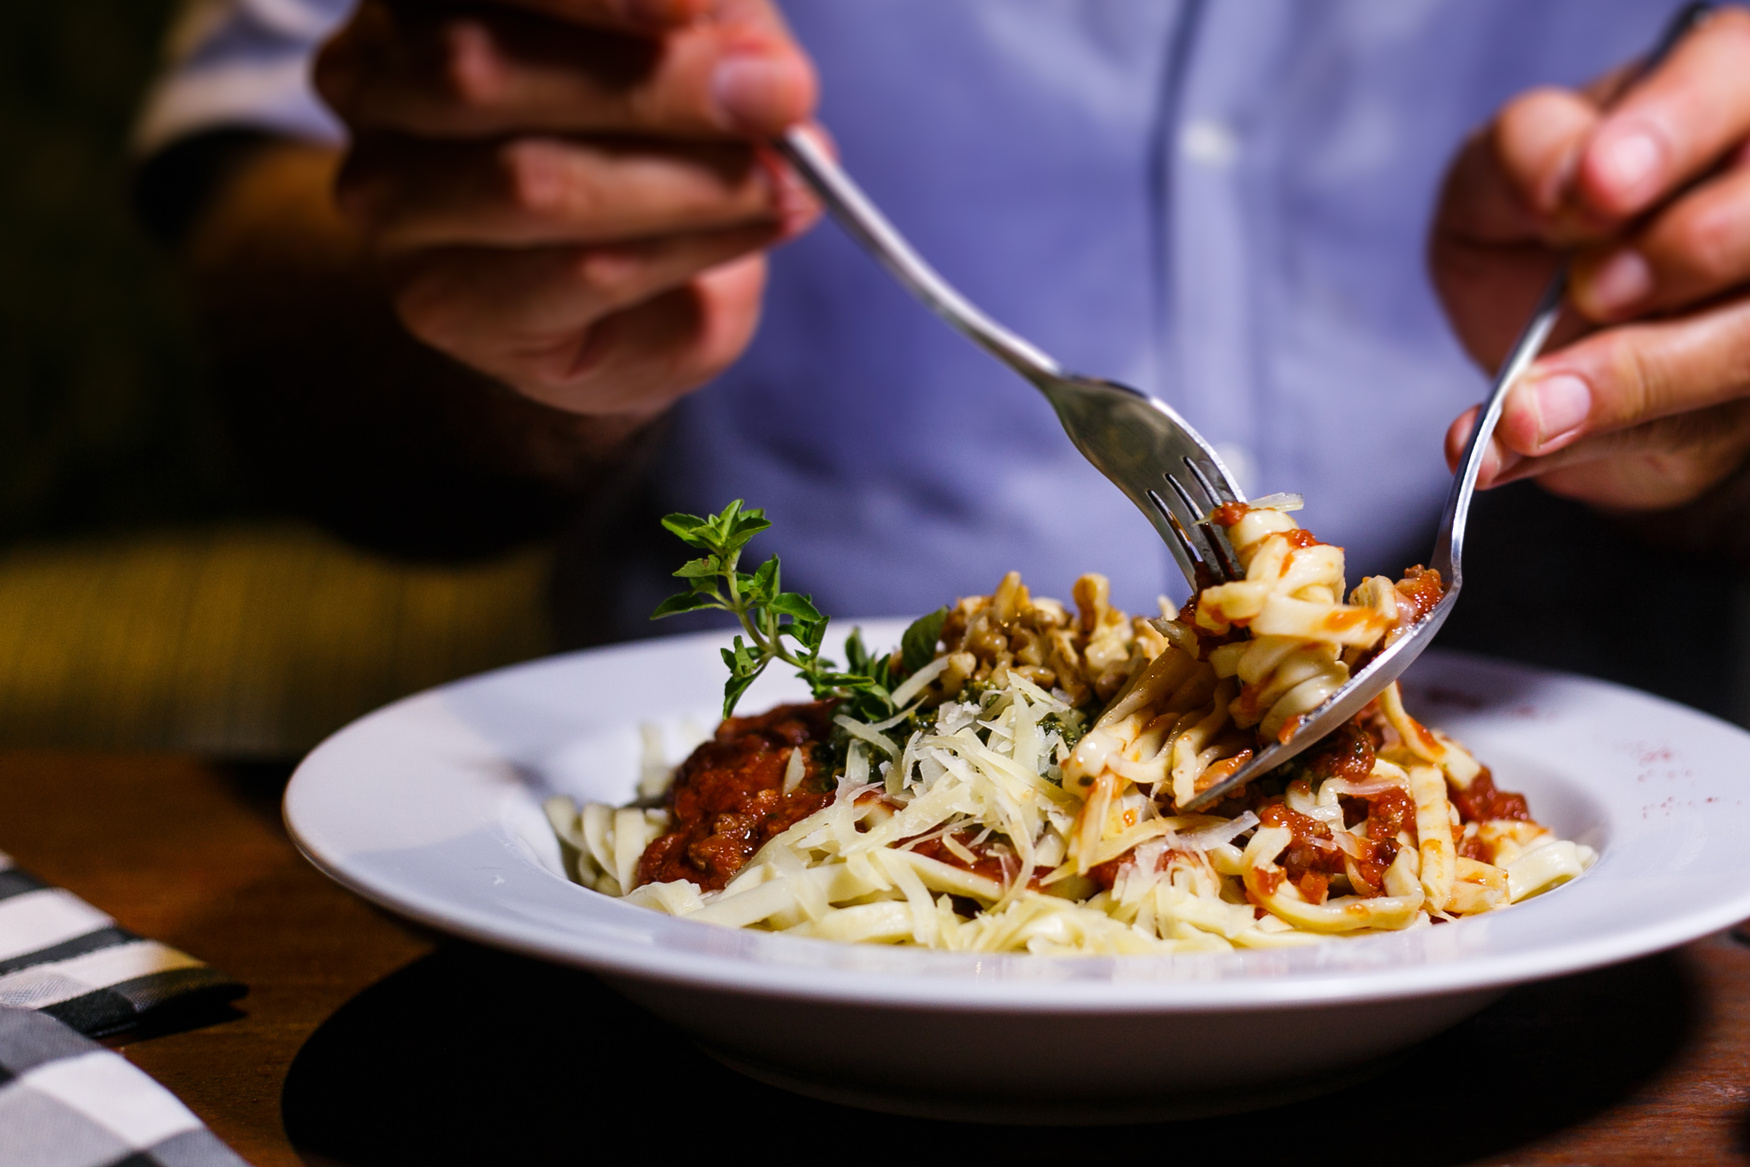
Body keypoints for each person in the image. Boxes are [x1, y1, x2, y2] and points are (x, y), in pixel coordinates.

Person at [134, 1, 1750, 715]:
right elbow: (275, 274)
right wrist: (500, 289)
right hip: (725, 899)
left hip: (1633, 836)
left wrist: (1696, 388)